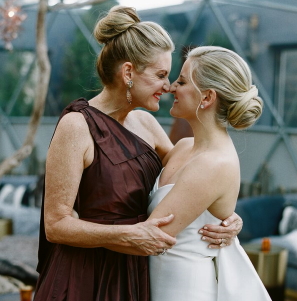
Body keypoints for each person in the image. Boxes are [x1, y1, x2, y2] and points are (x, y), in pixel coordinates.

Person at [33, 6, 242, 301]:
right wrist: (125, 235)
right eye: (160, 75)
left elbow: (190, 181)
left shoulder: (146, 123)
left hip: (134, 274)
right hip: (82, 277)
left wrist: (229, 217)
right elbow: (55, 225)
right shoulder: (76, 126)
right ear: (128, 72)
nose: (167, 86)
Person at [148, 46, 271, 301]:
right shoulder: (182, 148)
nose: (171, 87)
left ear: (206, 98)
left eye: (181, 81)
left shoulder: (215, 163)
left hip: (181, 291)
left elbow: (150, 236)